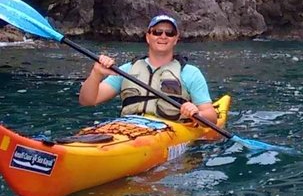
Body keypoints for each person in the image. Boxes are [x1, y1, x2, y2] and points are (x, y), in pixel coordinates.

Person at [78, 14, 218, 124]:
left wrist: (196, 113)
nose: (163, 36)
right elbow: (87, 101)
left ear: (175, 39)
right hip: (127, 129)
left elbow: (211, 117)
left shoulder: (190, 73)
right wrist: (96, 74)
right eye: (157, 32)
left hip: (168, 130)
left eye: (169, 33)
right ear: (148, 37)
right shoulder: (126, 70)